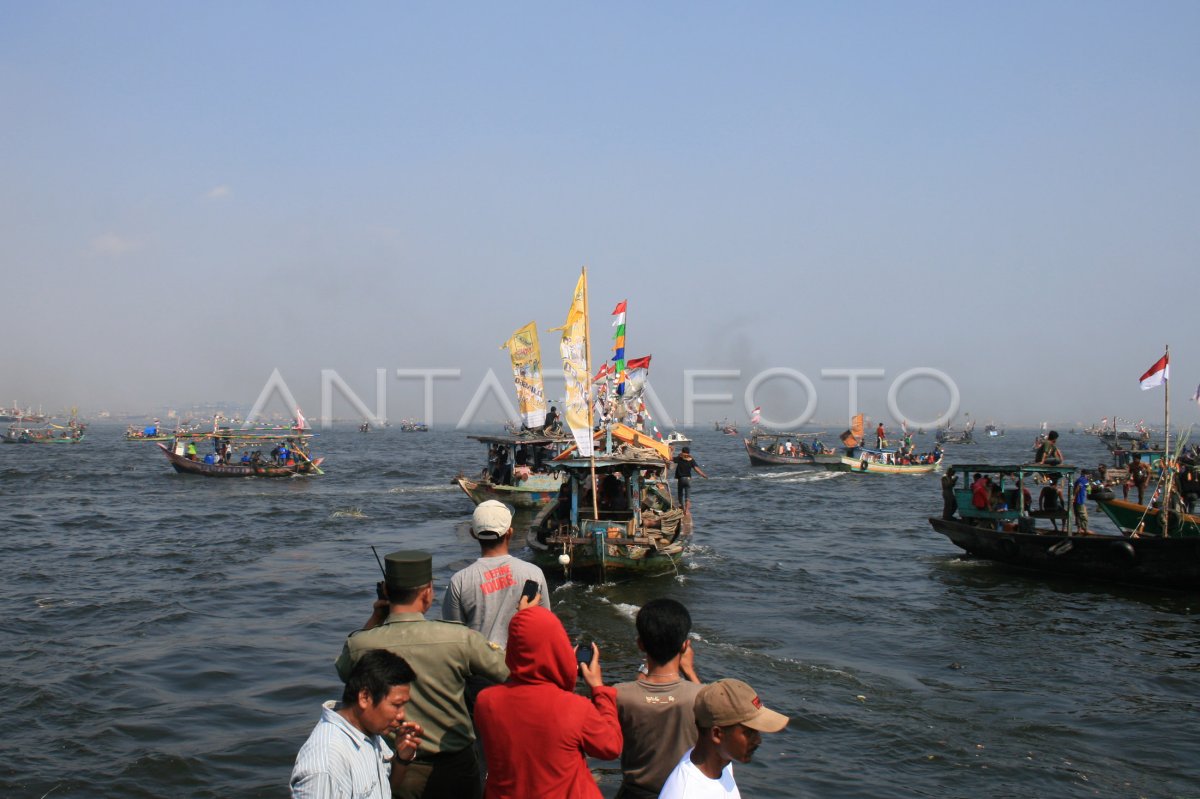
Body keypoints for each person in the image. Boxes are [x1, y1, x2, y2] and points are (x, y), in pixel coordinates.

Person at [335, 551, 509, 799]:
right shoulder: (459, 638)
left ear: (386, 591)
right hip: (456, 767)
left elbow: (344, 673)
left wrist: (376, 618)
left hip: (398, 769)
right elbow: (507, 672)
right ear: (427, 592)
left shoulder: (361, 645)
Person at [474, 605, 622, 798]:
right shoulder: (575, 708)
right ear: (558, 647)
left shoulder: (486, 702)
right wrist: (599, 689)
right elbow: (611, 747)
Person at [290, 649, 424, 799]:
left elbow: (385, 788)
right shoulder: (327, 764)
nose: (402, 715)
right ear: (365, 697)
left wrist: (401, 759)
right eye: (396, 705)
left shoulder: (368, 732)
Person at [614, 599, 703, 799]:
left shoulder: (619, 695)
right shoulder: (699, 696)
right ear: (685, 646)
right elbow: (712, 706)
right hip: (683, 793)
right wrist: (689, 670)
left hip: (633, 793)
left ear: (640, 644)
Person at [443, 501, 551, 649]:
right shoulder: (533, 573)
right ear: (510, 532)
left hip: (479, 667)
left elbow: (454, 637)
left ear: (473, 534)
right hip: (520, 666)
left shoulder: (459, 580)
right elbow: (545, 625)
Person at [658, 679, 789, 799]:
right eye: (749, 733)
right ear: (717, 734)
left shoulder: (722, 763)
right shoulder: (685, 793)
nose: (758, 740)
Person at [672, 448, 708, 513]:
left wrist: (670, 450)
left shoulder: (679, 458)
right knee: (687, 496)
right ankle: (687, 510)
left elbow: (670, 459)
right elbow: (696, 469)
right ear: (688, 452)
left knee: (680, 494)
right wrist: (703, 475)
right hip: (688, 479)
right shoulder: (691, 460)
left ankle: (681, 509)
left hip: (681, 479)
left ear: (682, 451)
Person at [1073, 469, 1091, 534]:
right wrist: (1075, 496)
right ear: (1086, 474)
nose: (1089, 476)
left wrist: (1073, 497)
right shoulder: (1083, 480)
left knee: (1077, 515)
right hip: (1079, 500)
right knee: (1084, 516)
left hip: (1075, 501)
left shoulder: (1079, 479)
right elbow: (1079, 487)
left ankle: (1079, 530)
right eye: (1088, 475)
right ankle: (1085, 530)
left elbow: (1088, 490)